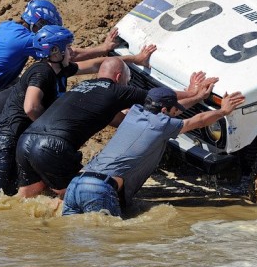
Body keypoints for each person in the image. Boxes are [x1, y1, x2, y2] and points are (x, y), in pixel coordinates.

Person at [15, 57, 216, 199]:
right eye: (127, 81)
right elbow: (158, 97)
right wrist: (193, 94)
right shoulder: (116, 90)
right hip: (53, 146)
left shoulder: (81, 88)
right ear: (119, 77)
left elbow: (123, 121)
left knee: (27, 199)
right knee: (74, 197)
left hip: (26, 139)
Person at [62, 87, 245, 217]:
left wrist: (197, 97)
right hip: (99, 189)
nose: (177, 113)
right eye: (175, 110)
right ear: (164, 110)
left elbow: (171, 112)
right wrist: (223, 111)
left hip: (76, 183)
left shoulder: (135, 112)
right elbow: (198, 121)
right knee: (108, 244)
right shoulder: (162, 125)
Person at [0, 0, 120, 123]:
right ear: (40, 24)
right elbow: (67, 55)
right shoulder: (27, 40)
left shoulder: (6, 26)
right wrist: (103, 49)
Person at [0, 25, 77, 195]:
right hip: (4, 142)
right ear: (55, 51)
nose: (72, 51)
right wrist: (48, 130)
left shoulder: (55, 69)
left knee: (18, 196)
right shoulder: (42, 71)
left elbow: (91, 65)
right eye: (68, 47)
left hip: (10, 141)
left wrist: (129, 59)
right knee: (0, 202)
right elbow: (31, 107)